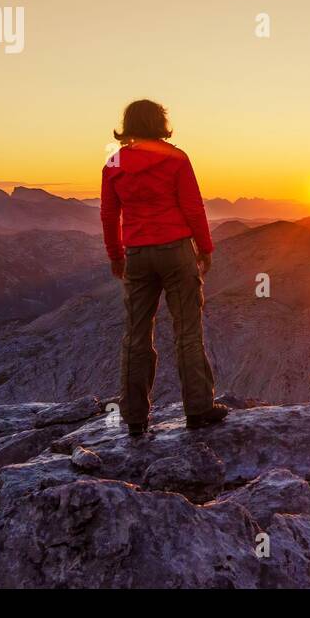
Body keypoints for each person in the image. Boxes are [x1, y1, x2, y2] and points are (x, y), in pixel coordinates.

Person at [100, 99, 227, 436]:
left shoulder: (114, 163)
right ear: (160, 124)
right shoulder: (176, 158)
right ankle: (199, 409)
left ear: (128, 126)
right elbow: (192, 206)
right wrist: (206, 247)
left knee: (136, 335)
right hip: (176, 251)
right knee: (187, 330)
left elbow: (110, 215)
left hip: (138, 254)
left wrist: (115, 255)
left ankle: (135, 419)